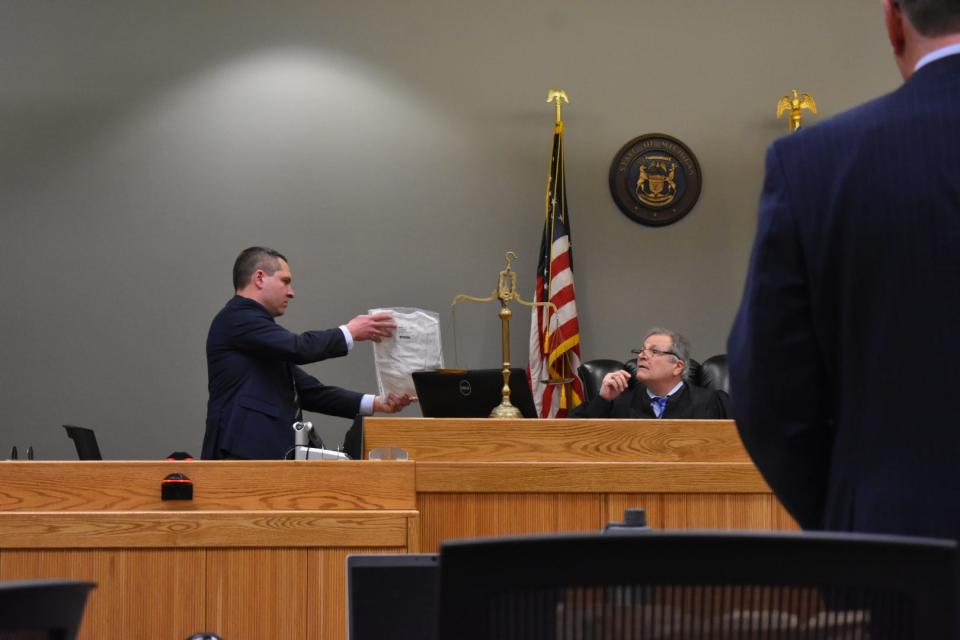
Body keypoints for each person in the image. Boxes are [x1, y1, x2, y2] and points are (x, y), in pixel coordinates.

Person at [727, 0, 960, 539]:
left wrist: (846, 524)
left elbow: (769, 398)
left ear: (893, 22)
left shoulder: (815, 163)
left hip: (894, 545)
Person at [202, 247, 413, 459]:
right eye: (285, 281)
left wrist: (378, 403)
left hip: (258, 457)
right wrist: (349, 332)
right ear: (259, 278)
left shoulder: (258, 337)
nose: (291, 292)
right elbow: (299, 347)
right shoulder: (238, 317)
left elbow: (310, 392)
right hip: (239, 459)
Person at [573, 327, 729, 419]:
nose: (641, 355)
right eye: (641, 350)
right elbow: (574, 436)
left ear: (677, 366)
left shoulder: (712, 403)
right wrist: (603, 399)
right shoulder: (620, 403)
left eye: (654, 351)